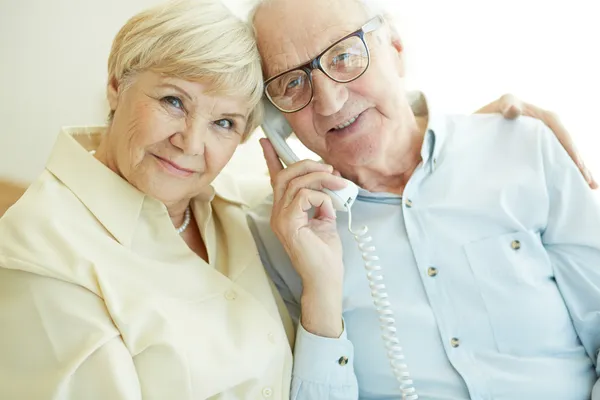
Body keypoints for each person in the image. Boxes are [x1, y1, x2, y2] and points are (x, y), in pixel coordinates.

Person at [247, 0, 600, 399]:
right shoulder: (277, 236)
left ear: (395, 50)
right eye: (291, 84)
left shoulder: (521, 147)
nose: (329, 103)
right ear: (275, 116)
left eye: (343, 56)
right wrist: (320, 290)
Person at [0, 1, 296, 398]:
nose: (190, 143)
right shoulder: (37, 249)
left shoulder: (244, 209)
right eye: (174, 101)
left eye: (224, 123)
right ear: (116, 85)